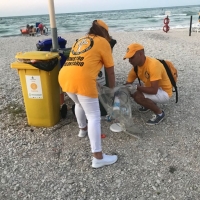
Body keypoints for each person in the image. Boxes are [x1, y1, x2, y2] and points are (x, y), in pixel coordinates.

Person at [58, 20, 118, 168]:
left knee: (78, 103)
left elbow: (83, 64)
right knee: (94, 116)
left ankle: (82, 130)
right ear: (104, 32)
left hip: (64, 76)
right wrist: (112, 90)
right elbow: (110, 70)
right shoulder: (103, 42)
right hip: (82, 80)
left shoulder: (81, 40)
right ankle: (98, 157)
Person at [123, 43, 172, 125]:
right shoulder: (136, 68)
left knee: (137, 96)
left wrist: (136, 87)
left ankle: (160, 114)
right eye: (128, 58)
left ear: (140, 54)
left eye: (132, 57)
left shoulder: (153, 65)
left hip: (164, 92)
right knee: (131, 91)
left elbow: (154, 91)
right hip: (153, 89)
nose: (130, 61)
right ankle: (147, 104)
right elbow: (127, 84)